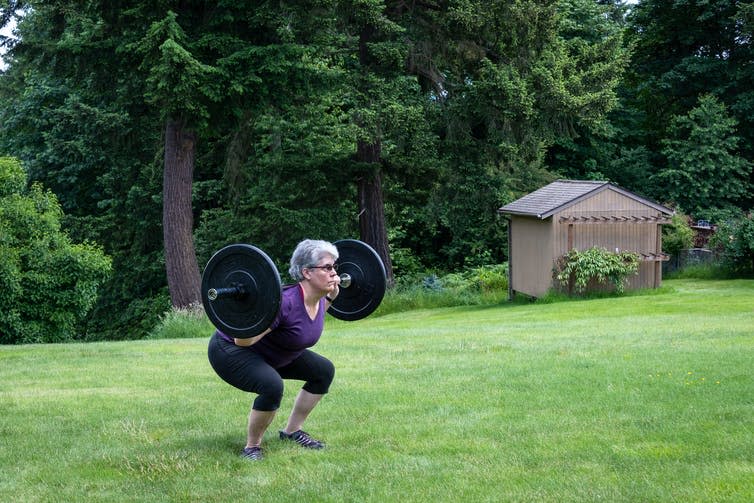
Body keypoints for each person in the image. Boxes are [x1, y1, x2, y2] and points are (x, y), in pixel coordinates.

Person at [207, 239, 341, 461]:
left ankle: (292, 432)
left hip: (274, 352)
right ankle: (252, 447)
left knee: (323, 371)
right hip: (230, 349)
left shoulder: (318, 299)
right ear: (307, 272)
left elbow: (304, 324)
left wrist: (329, 298)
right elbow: (243, 342)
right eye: (328, 267)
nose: (334, 273)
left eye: (335, 267)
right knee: (271, 385)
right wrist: (240, 312)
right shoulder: (284, 303)